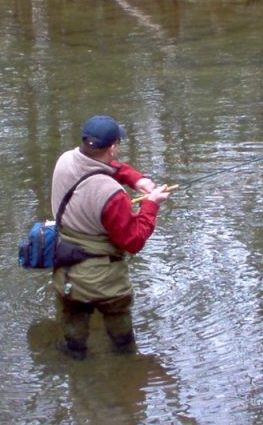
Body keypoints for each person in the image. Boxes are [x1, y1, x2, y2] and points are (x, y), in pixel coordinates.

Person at [50, 115, 171, 359]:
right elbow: (133, 241)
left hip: (66, 274)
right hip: (106, 284)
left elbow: (101, 167)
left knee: (74, 333)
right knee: (123, 342)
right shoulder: (112, 194)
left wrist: (138, 180)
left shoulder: (65, 160)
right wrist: (151, 205)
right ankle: (125, 367)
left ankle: (76, 365)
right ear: (113, 147)